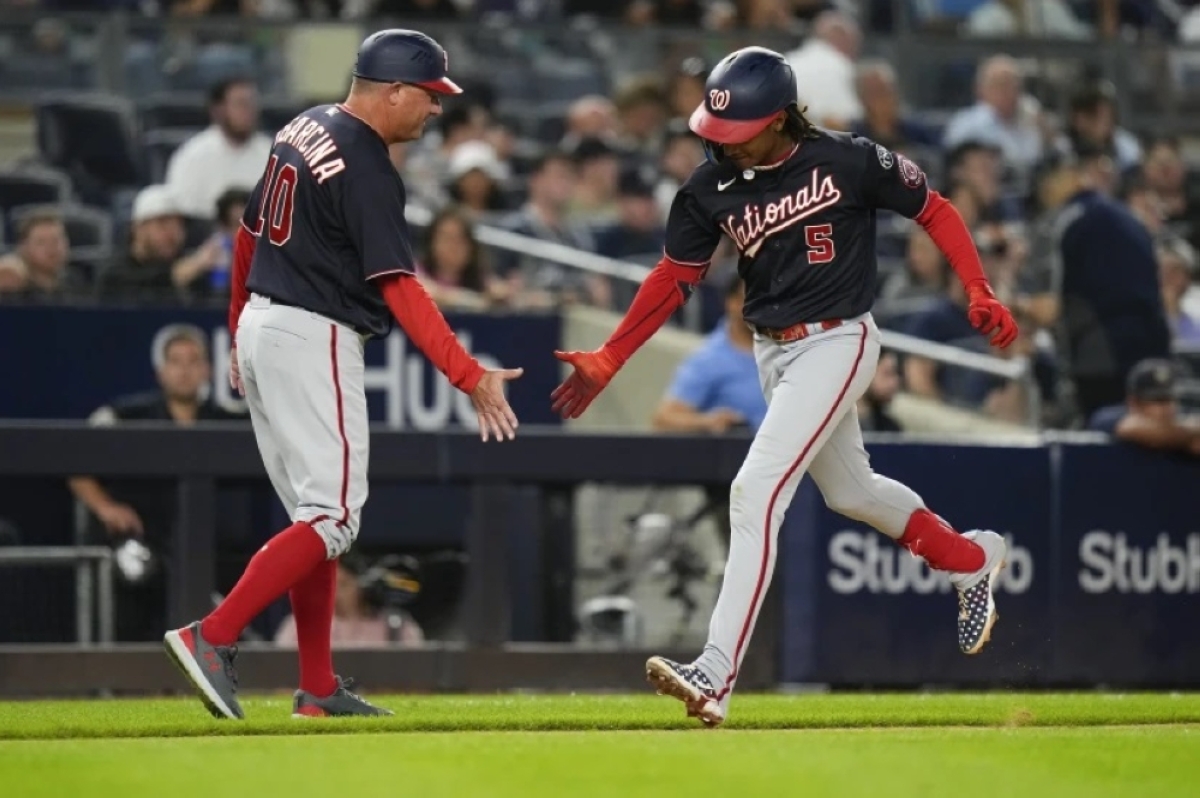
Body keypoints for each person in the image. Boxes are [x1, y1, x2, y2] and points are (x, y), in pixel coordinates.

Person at [550, 46, 1018, 728]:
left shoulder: (848, 158)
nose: (723, 146)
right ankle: (971, 558)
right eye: (716, 132)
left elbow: (934, 209)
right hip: (774, 354)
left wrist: (977, 285)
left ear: (779, 119)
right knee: (852, 493)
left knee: (755, 489)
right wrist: (612, 355)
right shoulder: (709, 188)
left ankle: (714, 672)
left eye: (738, 132)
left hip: (840, 339)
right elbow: (672, 278)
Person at [162, 29, 524, 722]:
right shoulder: (367, 164)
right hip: (312, 331)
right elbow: (402, 290)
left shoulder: (303, 124)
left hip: (265, 323)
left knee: (315, 517)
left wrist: (237, 328)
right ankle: (212, 635)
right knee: (333, 515)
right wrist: (467, 373)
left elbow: (246, 235)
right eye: (428, 95)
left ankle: (318, 687)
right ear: (392, 91)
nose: (435, 110)